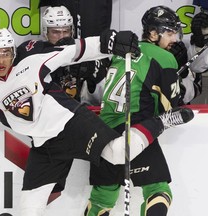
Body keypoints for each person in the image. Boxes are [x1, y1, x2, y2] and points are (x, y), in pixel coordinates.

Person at [0, 28, 194, 216]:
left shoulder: (31, 60)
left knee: (116, 154)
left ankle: (162, 121)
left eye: (6, 52)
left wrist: (108, 43)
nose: (2, 59)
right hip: (44, 147)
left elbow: (74, 51)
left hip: (72, 123)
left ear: (12, 52)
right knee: (30, 208)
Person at [85, 6, 185, 216]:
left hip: (103, 132)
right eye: (169, 33)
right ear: (153, 33)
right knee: (158, 191)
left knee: (102, 198)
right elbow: (170, 109)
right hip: (135, 129)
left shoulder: (122, 53)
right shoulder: (164, 58)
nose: (174, 38)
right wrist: (176, 77)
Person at [40, 5, 110, 105]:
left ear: (72, 31)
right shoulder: (38, 56)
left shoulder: (85, 55)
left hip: (79, 114)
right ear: (45, 32)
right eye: (55, 32)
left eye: (66, 31)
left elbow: (103, 98)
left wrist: (90, 77)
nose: (61, 37)